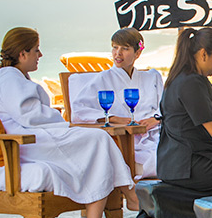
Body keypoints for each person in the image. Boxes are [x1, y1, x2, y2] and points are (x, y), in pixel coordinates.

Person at [0, 27, 139, 218]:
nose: (40, 56)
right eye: (36, 51)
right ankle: (130, 196)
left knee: (98, 141)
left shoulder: (17, 78)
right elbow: (30, 115)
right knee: (97, 140)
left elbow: (32, 114)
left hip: (36, 135)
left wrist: (60, 122)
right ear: (22, 54)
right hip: (23, 142)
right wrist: (60, 119)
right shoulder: (10, 81)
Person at [70, 27, 163, 179]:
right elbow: (78, 110)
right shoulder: (102, 79)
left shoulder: (152, 77)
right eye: (114, 47)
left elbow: (166, 106)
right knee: (162, 159)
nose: (117, 53)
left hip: (155, 134)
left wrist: (156, 119)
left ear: (137, 53)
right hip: (124, 140)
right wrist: (113, 118)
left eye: (125, 49)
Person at [157, 27, 212, 194]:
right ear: (203, 54)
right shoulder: (191, 83)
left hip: (178, 163)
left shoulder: (190, 79)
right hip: (188, 166)